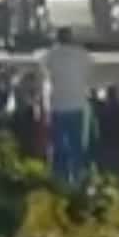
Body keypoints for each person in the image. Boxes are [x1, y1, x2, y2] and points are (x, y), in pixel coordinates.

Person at [40, 27, 92, 185]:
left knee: (58, 145)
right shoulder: (81, 54)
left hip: (58, 105)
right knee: (76, 144)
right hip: (76, 104)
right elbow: (88, 70)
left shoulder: (51, 55)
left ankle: (59, 178)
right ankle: (77, 177)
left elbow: (44, 68)